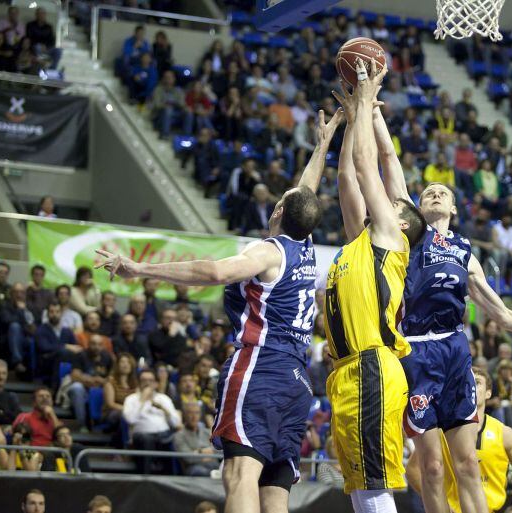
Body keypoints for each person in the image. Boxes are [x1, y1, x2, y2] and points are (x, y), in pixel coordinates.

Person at [96, 108, 342, 511]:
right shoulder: (306, 247)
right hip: (297, 383)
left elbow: (211, 271)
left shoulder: (268, 250)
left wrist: (139, 267)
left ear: (278, 212)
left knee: (239, 474)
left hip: (260, 367)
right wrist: (322, 145)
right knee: (274, 487)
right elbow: (305, 195)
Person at [372, 54, 512, 513]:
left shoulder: (466, 253)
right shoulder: (409, 234)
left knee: (467, 464)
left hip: (454, 351)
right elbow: (389, 161)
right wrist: (371, 112)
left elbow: (502, 315)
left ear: (454, 208)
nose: (434, 193)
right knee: (430, 469)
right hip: (415, 351)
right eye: (428, 191)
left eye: (442, 192)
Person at [325, 60, 424, 513]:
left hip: (373, 365)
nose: (382, 199)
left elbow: (370, 163)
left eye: (392, 202)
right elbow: (348, 176)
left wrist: (366, 98)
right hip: (346, 370)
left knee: (376, 483)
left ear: (401, 220)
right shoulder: (360, 242)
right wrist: (349, 121)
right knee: (360, 487)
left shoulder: (392, 236)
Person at [406, 367, 512, 513]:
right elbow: (412, 470)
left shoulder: (504, 433)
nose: (471, 386)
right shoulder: (440, 431)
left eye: (477, 382)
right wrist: (441, 504)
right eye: (467, 381)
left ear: (488, 393)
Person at [122, 369, 182, 473]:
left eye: (150, 380)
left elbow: (176, 423)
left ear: (155, 383)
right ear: (138, 382)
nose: (147, 383)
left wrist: (164, 410)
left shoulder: (163, 398)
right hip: (142, 436)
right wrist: (142, 400)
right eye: (144, 380)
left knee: (175, 439)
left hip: (164, 435)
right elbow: (130, 419)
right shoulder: (131, 399)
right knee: (146, 439)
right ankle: (146, 478)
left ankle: (172, 479)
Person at [66, 334, 113, 429]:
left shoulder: (107, 357)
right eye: (93, 344)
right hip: (84, 388)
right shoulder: (80, 355)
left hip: (102, 388)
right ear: (88, 344)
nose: (96, 347)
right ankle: (82, 424)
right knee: (76, 388)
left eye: (100, 344)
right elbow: (75, 376)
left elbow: (112, 377)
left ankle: (103, 424)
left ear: (103, 346)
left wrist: (103, 381)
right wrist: (93, 380)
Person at [174, 402, 220, 476]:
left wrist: (198, 452)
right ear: (184, 415)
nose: (194, 416)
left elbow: (220, 451)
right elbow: (188, 458)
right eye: (190, 413)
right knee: (201, 471)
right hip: (194, 468)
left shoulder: (207, 432)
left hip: (213, 465)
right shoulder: (179, 436)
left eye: (197, 413)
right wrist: (202, 451)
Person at [0, 359, 20, 426]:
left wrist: (2, 412)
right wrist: (8, 412)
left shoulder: (11, 396)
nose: (1, 377)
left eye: (4, 373)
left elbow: (18, 416)